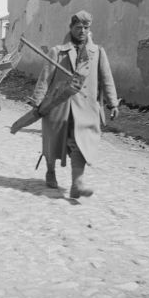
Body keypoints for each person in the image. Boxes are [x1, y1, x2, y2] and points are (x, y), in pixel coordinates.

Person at [32, 11, 119, 198]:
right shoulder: (57, 51)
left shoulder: (97, 52)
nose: (82, 31)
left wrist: (113, 103)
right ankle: (50, 170)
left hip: (86, 108)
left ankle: (77, 184)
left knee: (81, 142)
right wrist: (38, 101)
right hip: (58, 105)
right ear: (71, 28)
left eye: (86, 28)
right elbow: (44, 79)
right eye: (78, 27)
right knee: (52, 141)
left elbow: (106, 78)